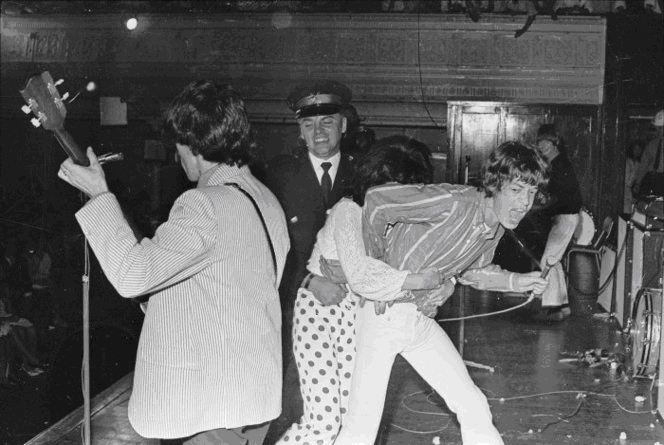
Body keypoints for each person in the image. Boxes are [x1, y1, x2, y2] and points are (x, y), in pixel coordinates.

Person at [57, 80, 290, 444]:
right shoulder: (266, 199)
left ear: (191, 143)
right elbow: (234, 287)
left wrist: (99, 195)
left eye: (177, 146)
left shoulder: (204, 203)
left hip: (209, 411)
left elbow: (131, 276)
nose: (177, 157)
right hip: (250, 400)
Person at [333, 141, 551, 445]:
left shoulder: (495, 227)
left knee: (473, 405)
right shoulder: (454, 201)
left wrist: (518, 282)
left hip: (418, 320)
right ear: (495, 185)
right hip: (384, 317)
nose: (524, 203)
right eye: (516, 190)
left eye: (530, 193)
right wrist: (382, 275)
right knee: (361, 428)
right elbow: (378, 201)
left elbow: (472, 272)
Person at [276, 135, 440, 445]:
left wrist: (379, 280)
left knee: (351, 418)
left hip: (357, 313)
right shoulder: (349, 210)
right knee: (322, 423)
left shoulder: (396, 219)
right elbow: (362, 272)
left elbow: (377, 273)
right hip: (319, 312)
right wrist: (409, 280)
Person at [263, 79, 355, 423]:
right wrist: (308, 281)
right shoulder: (276, 177)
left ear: (343, 125)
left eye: (327, 122)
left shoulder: (366, 174)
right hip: (294, 306)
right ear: (299, 131)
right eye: (308, 124)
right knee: (295, 402)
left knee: (351, 402)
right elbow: (269, 246)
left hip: (353, 306)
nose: (318, 132)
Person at [493, 124, 582, 321]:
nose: (539, 145)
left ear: (552, 144)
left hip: (565, 218)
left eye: (542, 141)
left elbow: (561, 199)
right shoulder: (558, 164)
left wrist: (540, 209)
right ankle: (563, 306)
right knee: (553, 260)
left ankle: (553, 308)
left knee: (547, 261)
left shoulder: (559, 166)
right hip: (563, 218)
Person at [633, 109, 664, 198]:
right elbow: (644, 165)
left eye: (660, 128)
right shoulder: (652, 145)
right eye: (657, 128)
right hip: (652, 179)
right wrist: (638, 183)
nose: (658, 131)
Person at [624, 140, 645, 214]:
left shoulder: (639, 163)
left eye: (639, 150)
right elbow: (628, 182)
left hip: (633, 193)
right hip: (625, 192)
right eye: (635, 149)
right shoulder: (627, 162)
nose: (637, 152)